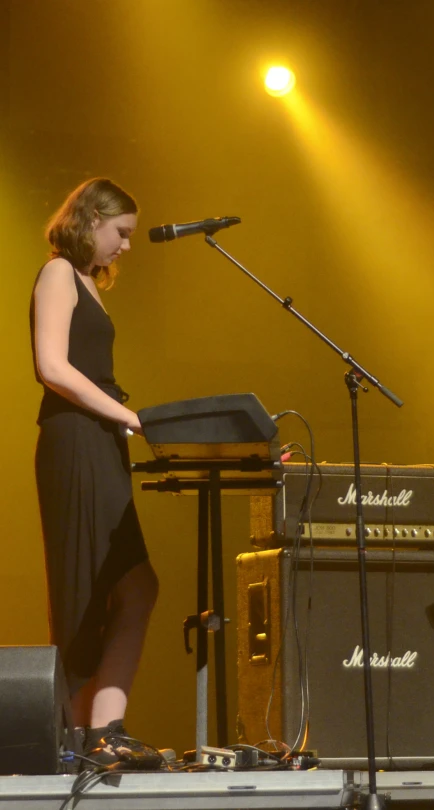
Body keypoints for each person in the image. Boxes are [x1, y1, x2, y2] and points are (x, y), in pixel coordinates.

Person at [30, 178, 160, 767]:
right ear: (91, 220)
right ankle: (75, 732)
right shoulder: (58, 272)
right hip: (76, 440)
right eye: (121, 233)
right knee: (86, 587)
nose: (127, 247)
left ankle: (102, 727)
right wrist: (130, 416)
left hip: (100, 439)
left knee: (136, 586)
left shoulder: (87, 283)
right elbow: (52, 366)